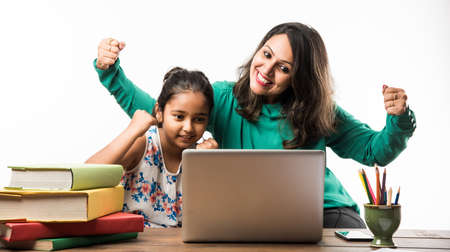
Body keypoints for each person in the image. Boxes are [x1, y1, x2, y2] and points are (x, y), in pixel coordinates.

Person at [93, 23, 416, 228]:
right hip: (253, 217)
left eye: (284, 68)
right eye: (266, 54)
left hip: (325, 212)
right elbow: (163, 111)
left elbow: (374, 150)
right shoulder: (224, 97)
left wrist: (398, 119)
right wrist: (112, 73)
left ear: (298, 78)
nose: (266, 69)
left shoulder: (318, 110)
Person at [86, 67, 217, 228]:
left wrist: (209, 166)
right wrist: (132, 130)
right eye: (179, 117)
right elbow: (86, 177)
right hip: (134, 242)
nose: (188, 127)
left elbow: (212, 216)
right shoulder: (144, 144)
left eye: (198, 119)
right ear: (159, 112)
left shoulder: (201, 154)